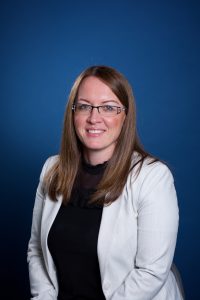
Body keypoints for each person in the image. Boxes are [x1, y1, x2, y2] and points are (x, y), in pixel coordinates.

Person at [27, 65, 184, 300]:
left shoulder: (153, 177)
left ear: (125, 116)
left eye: (108, 108)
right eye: (84, 106)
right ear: (73, 113)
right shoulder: (52, 169)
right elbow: (37, 251)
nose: (94, 118)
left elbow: (151, 272)